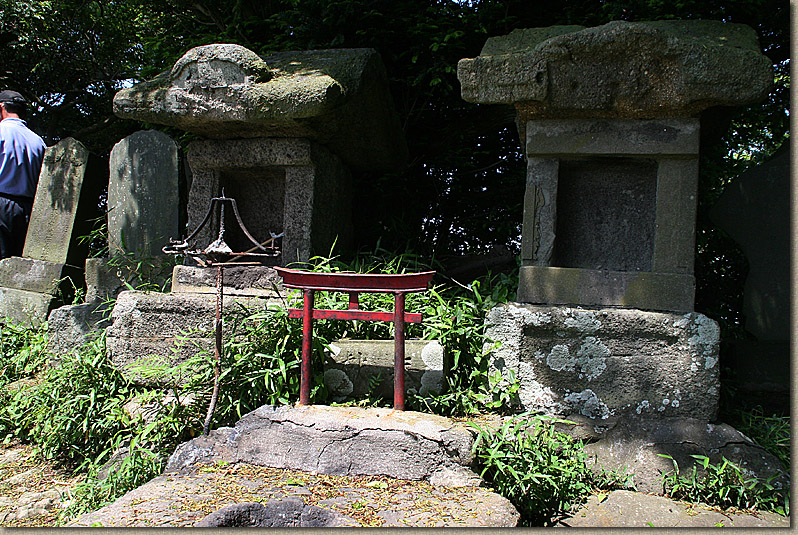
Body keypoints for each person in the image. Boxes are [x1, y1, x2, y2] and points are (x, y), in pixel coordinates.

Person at [0, 90, 46, 259]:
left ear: (1, 107)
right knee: (16, 264)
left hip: (1, 204)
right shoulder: (38, 141)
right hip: (27, 210)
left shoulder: (1, 132)